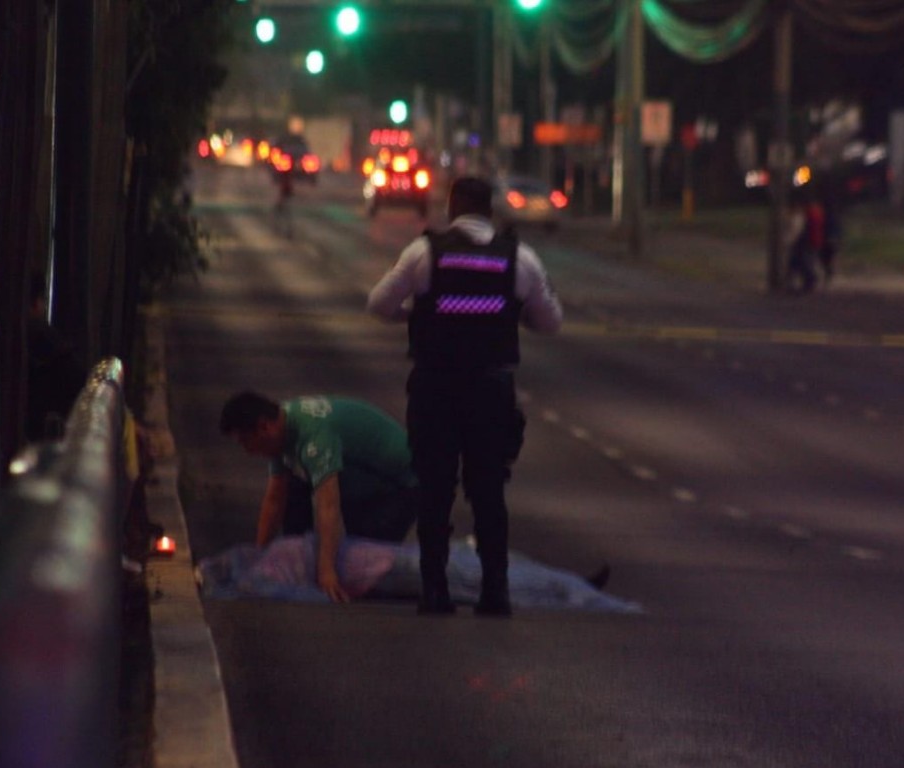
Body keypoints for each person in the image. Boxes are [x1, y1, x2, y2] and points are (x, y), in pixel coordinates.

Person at [366, 175, 563, 616]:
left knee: (434, 489)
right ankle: (496, 592)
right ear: (490, 211)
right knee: (489, 491)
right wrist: (516, 315)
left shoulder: (424, 253)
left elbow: (378, 303)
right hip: (490, 392)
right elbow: (551, 321)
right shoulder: (519, 258)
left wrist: (416, 313)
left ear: (451, 209)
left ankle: (434, 591)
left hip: (436, 388)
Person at [219, 391, 420, 602]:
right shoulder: (281, 430)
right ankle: (299, 558)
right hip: (358, 477)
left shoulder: (313, 434)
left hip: (402, 483)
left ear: (264, 427)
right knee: (294, 484)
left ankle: (433, 576)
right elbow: (275, 500)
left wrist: (327, 571)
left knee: (366, 563)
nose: (247, 451)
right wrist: (258, 556)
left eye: (245, 442)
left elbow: (328, 505)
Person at [196, 534, 636, 612]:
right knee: (480, 567)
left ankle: (571, 587)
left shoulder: (268, 564)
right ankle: (570, 584)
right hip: (389, 560)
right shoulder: (276, 553)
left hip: (388, 568)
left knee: (480, 576)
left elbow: (263, 590)